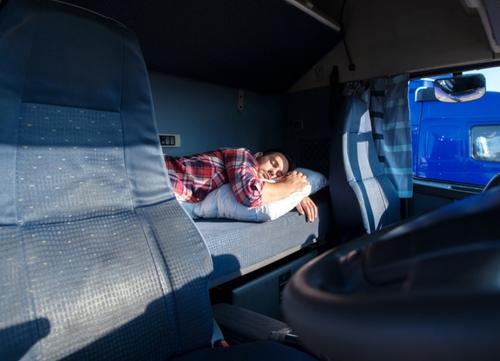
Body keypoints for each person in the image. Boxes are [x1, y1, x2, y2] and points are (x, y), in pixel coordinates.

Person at [164, 148, 318, 222]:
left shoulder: (258, 181)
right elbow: (249, 194)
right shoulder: (242, 155)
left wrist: (296, 196)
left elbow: (263, 189)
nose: (273, 172)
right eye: (273, 163)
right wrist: (289, 186)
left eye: (279, 175)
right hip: (160, 174)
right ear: (258, 155)